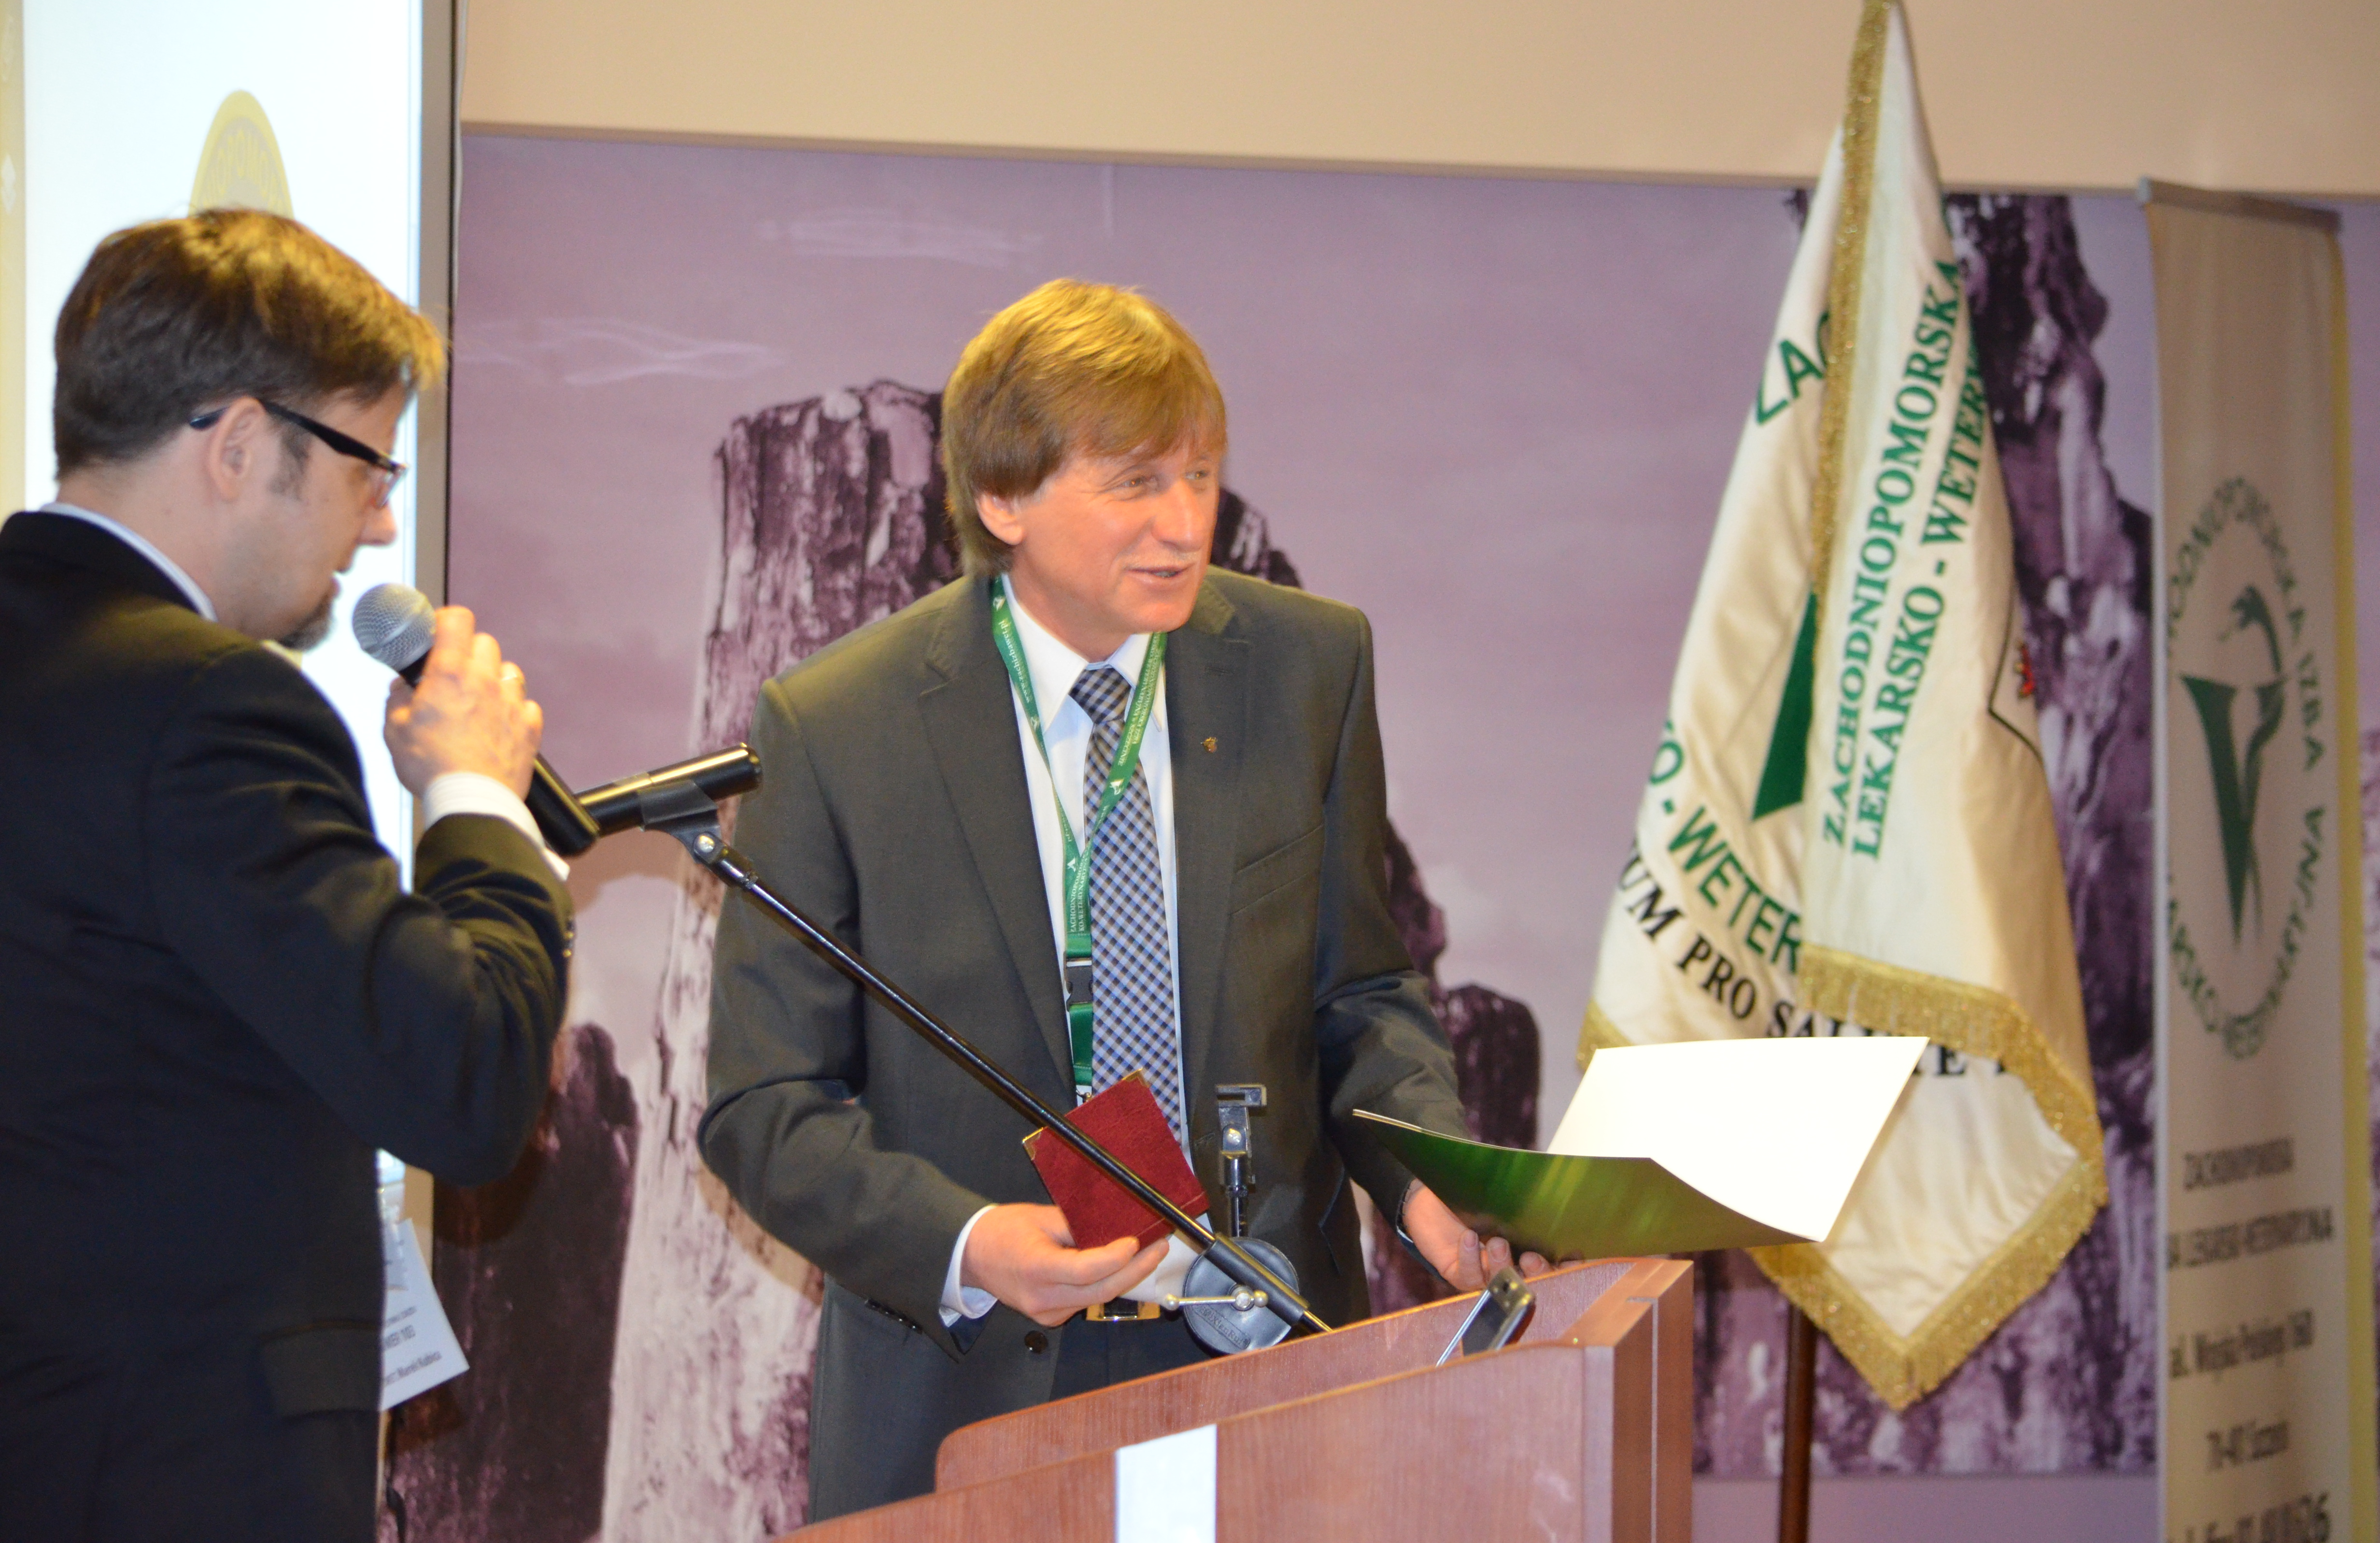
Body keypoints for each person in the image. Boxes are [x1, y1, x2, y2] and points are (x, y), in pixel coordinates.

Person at [702, 278, 1543, 1519]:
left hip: (1265, 1359)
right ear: (1005, 499)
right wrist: (969, 1243)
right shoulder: (836, 728)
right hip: (973, 1385)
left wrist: (1425, 1185)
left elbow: (1360, 996)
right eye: (1135, 483)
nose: (1184, 523)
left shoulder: (1307, 668)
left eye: (1200, 475)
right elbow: (765, 1107)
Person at [0, 211, 574, 1543]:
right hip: (168, 1471)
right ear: (242, 445)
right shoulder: (207, 705)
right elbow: (464, 1084)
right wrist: (476, 793)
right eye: (371, 469)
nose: (380, 527)